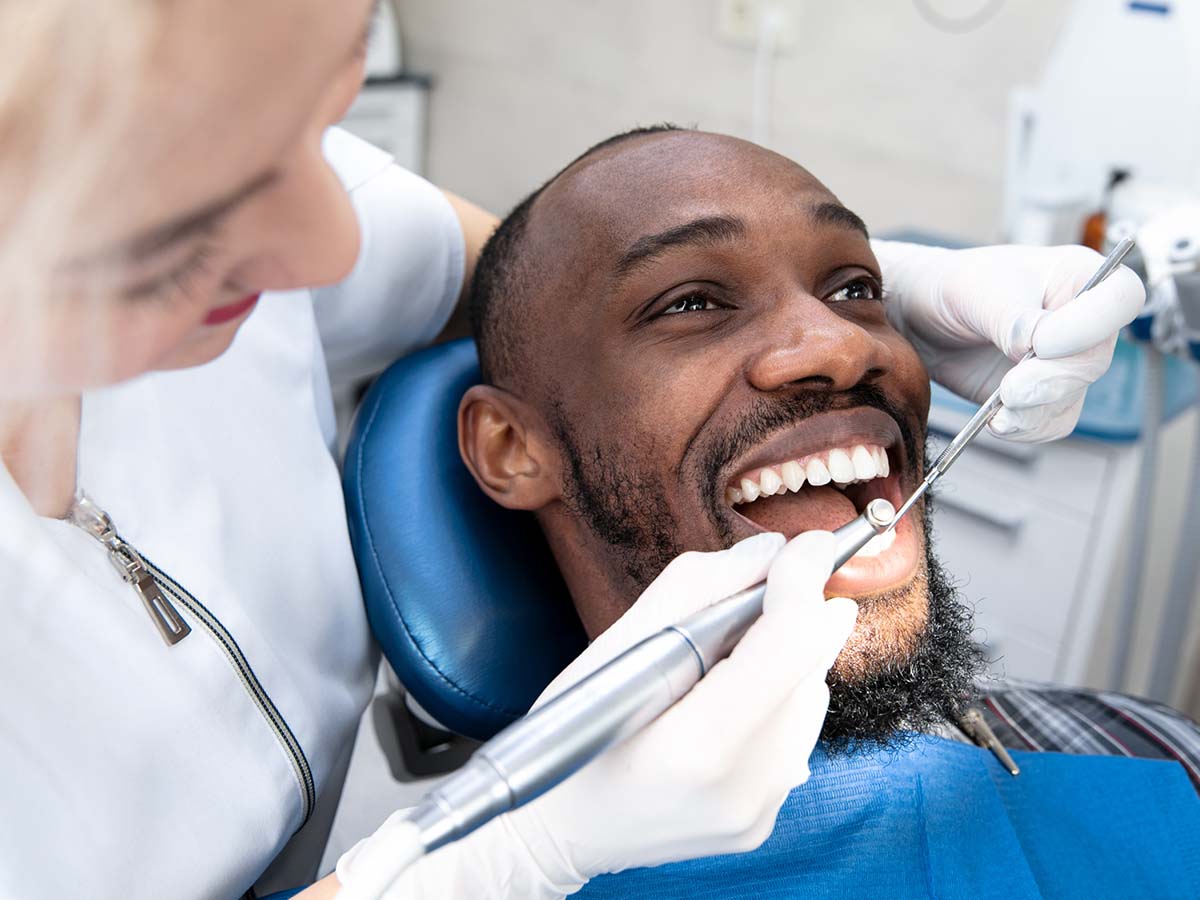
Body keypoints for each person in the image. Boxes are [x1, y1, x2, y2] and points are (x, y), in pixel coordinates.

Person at [0, 1, 1146, 897]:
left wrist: (884, 284)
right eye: (211, 184)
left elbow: (537, 288)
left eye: (320, 119)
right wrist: (493, 864)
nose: (329, 245)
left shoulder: (1144, 776)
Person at [449, 125, 1200, 895]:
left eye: (854, 289)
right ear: (513, 448)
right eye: (691, 302)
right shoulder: (496, 866)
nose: (844, 348)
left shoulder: (1150, 751)